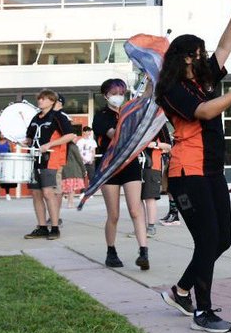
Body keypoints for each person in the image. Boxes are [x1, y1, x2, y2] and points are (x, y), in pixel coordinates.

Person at [157, 0, 231, 333]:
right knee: (207, 240)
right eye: (198, 53)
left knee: (222, 239)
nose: (204, 56)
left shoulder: (204, 78)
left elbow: (226, 47)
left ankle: (181, 291)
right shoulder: (173, 90)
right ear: (186, 56)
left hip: (212, 170)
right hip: (188, 171)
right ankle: (203, 311)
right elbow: (202, 111)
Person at [92, 79, 150, 270]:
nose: (119, 96)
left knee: (136, 209)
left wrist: (150, 82)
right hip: (109, 165)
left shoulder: (129, 111)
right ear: (106, 95)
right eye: (114, 92)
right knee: (114, 214)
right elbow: (115, 135)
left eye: (121, 92)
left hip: (130, 163)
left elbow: (147, 101)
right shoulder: (101, 116)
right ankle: (111, 251)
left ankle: (143, 251)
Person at [20, 90, 74, 240]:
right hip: (34, 160)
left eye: (43, 99)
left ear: (52, 101)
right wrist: (25, 141)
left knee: (48, 193)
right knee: (36, 194)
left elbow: (70, 135)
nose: (40, 101)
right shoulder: (36, 118)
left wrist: (50, 144)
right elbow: (30, 137)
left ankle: (55, 227)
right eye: (39, 98)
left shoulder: (58, 116)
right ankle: (42, 226)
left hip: (50, 159)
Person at [139, 127, 172, 238]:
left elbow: (168, 146)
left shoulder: (159, 124)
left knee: (149, 197)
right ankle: (140, 228)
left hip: (152, 166)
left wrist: (155, 145)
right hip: (136, 166)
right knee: (137, 199)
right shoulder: (136, 123)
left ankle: (151, 226)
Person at [59, 138, 86, 210]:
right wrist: (84, 169)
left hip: (63, 168)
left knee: (62, 187)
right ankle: (70, 203)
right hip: (73, 169)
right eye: (75, 137)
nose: (76, 139)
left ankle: (58, 203)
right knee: (72, 188)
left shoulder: (62, 145)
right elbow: (79, 159)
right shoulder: (73, 146)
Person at [0, 136, 15, 201]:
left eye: (3, 134)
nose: (2, 135)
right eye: (0, 134)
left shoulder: (8, 143)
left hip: (6, 163)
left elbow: (12, 153)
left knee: (6, 179)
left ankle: (7, 194)